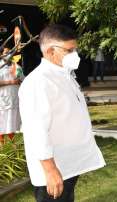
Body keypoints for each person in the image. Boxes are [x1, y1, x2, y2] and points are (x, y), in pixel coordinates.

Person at [18, 24, 105, 202]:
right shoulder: (38, 82)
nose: (75, 55)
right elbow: (36, 131)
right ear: (50, 51)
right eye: (69, 50)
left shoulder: (65, 74)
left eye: (75, 49)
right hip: (53, 170)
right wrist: (50, 170)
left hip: (68, 166)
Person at [0, 47, 23, 145]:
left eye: (10, 52)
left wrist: (20, 81)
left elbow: (23, 79)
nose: (9, 54)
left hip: (14, 99)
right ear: (1, 54)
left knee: (12, 123)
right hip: (3, 100)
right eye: (6, 52)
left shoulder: (16, 66)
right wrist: (11, 82)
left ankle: (13, 147)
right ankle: (2, 146)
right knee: (2, 122)